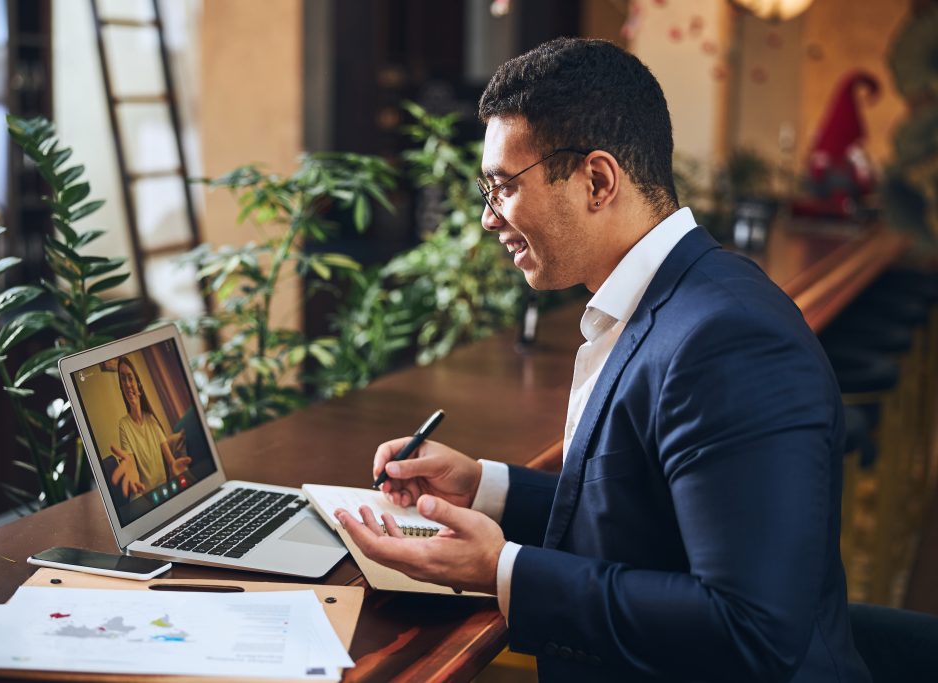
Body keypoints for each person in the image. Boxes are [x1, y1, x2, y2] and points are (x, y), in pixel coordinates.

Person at [335, 38, 870, 681]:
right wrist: (483, 487)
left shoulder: (730, 339)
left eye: (503, 186)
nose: (486, 217)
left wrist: (503, 568)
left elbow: (748, 628)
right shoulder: (666, 298)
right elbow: (641, 517)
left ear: (596, 180)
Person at [108, 356, 191, 499]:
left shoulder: (151, 419)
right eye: (123, 379)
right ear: (121, 388)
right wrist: (131, 471)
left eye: (130, 378)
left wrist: (174, 466)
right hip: (146, 495)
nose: (127, 384)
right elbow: (130, 461)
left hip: (165, 489)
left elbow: (171, 461)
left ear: (138, 385)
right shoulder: (124, 425)